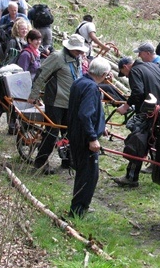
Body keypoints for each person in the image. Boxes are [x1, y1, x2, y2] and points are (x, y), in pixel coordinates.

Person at [28, 34, 89, 173]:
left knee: (69, 133)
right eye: (76, 50)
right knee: (51, 134)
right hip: (55, 102)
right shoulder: (57, 57)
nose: (79, 53)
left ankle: (67, 160)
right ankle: (40, 163)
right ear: (69, 47)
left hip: (71, 103)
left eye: (80, 50)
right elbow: (41, 74)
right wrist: (34, 94)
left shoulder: (77, 59)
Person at [113, 56, 160, 187]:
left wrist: (125, 107)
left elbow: (138, 92)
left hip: (150, 112)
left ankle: (131, 178)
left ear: (126, 67)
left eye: (124, 74)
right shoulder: (152, 65)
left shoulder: (134, 71)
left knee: (137, 142)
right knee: (159, 142)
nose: (127, 77)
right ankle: (159, 170)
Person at [67, 57, 111, 218]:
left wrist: (101, 126)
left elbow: (88, 112)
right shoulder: (92, 88)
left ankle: (79, 205)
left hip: (76, 134)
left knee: (84, 173)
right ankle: (78, 211)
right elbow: (85, 114)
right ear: (105, 74)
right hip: (84, 138)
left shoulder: (79, 82)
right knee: (89, 175)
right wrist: (93, 137)